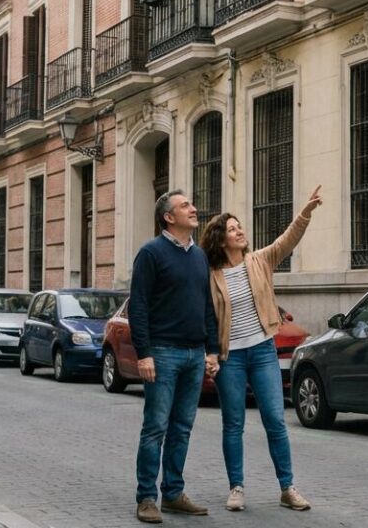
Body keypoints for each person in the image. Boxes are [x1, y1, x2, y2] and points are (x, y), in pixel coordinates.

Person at [199, 186, 322, 513]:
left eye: (240, 227)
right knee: (233, 423)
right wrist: (208, 354)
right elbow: (206, 316)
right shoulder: (210, 275)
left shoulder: (259, 260)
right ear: (220, 239)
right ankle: (236, 487)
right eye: (232, 229)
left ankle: (287, 487)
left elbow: (287, 240)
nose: (240, 231)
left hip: (263, 351)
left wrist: (305, 213)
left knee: (275, 420)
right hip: (231, 358)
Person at [130, 190, 220, 524]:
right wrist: (145, 354)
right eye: (185, 206)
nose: (194, 208)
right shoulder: (151, 253)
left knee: (182, 428)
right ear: (168, 217)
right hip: (163, 353)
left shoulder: (199, 257)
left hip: (195, 355)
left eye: (192, 204)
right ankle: (146, 498)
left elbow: (206, 305)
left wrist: (212, 350)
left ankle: (173, 492)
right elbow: (138, 305)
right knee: (155, 428)